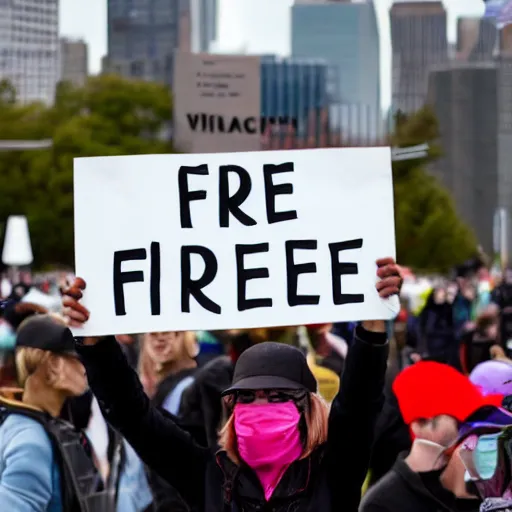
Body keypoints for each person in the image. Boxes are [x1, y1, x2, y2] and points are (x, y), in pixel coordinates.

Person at [62, 257, 402, 512]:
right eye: (248, 398)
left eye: (278, 396)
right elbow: (134, 416)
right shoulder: (209, 476)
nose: (261, 407)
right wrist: (97, 345)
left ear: (308, 407)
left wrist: (372, 326)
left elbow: (358, 404)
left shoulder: (334, 470)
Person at [360, 361, 509, 512]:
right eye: (461, 422)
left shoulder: (472, 488)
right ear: (419, 424)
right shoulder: (383, 503)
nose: (472, 432)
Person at [0, 314, 113, 511]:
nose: (86, 367)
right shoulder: (31, 441)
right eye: (78, 356)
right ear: (53, 364)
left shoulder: (23, 424)